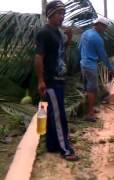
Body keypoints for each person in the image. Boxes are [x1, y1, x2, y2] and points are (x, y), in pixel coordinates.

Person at [35, 0, 78, 161]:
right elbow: (39, 57)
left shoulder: (58, 32)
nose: (62, 17)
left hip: (60, 79)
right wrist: (41, 80)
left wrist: (68, 39)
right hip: (50, 80)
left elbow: (59, 51)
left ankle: (52, 144)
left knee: (54, 113)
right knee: (59, 115)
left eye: (63, 14)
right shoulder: (44, 33)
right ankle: (65, 149)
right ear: (50, 14)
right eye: (59, 14)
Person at [79, 16, 114, 121]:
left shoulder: (85, 33)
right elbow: (103, 56)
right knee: (92, 90)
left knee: (87, 88)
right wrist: (110, 67)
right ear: (98, 25)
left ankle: (89, 109)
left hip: (83, 64)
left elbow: (79, 48)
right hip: (90, 66)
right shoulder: (97, 38)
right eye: (104, 27)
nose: (105, 29)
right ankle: (90, 113)